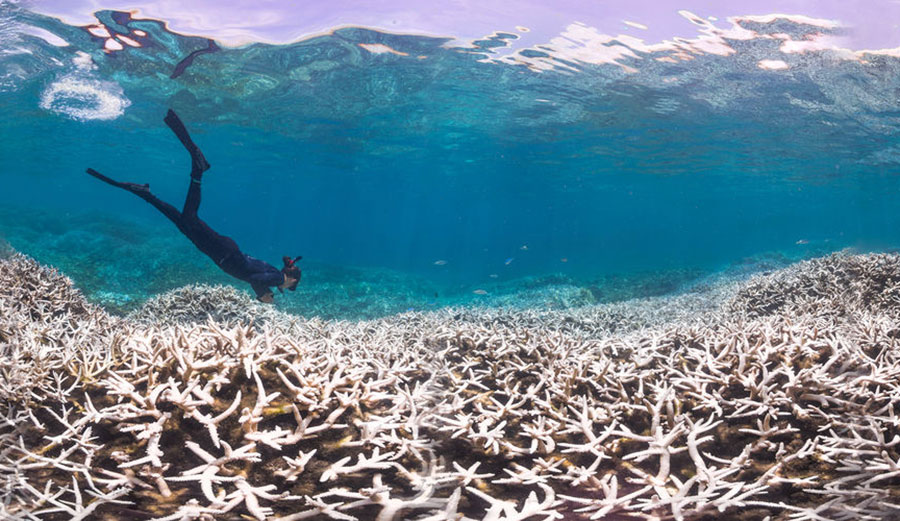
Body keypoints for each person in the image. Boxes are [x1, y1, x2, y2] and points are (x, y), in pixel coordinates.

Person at [86, 109, 301, 303]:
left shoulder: (274, 273)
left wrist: (263, 291)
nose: (286, 288)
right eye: (290, 286)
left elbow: (253, 275)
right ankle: (198, 169)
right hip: (224, 252)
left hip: (223, 252)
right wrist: (263, 295)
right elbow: (254, 278)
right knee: (189, 218)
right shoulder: (276, 277)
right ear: (290, 279)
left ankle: (146, 194)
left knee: (183, 223)